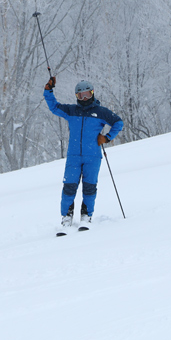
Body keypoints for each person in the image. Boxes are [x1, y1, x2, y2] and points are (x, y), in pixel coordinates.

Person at [43, 77, 123, 231]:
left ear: (92, 94)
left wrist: (107, 138)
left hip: (92, 156)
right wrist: (48, 90)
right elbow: (54, 107)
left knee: (89, 186)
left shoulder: (100, 112)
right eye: (81, 95)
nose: (84, 98)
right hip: (74, 156)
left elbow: (118, 122)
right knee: (69, 186)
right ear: (76, 97)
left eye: (87, 94)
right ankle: (67, 216)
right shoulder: (71, 111)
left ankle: (86, 216)